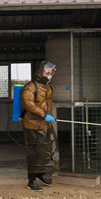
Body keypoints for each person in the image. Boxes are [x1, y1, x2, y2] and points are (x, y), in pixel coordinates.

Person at [20, 60, 60, 191]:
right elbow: (29, 104)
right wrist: (44, 115)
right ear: (39, 72)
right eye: (47, 73)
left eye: (51, 73)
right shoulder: (30, 87)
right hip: (33, 125)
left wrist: (48, 117)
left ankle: (41, 174)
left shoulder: (47, 87)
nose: (49, 75)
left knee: (45, 151)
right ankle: (31, 180)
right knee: (35, 153)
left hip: (45, 125)